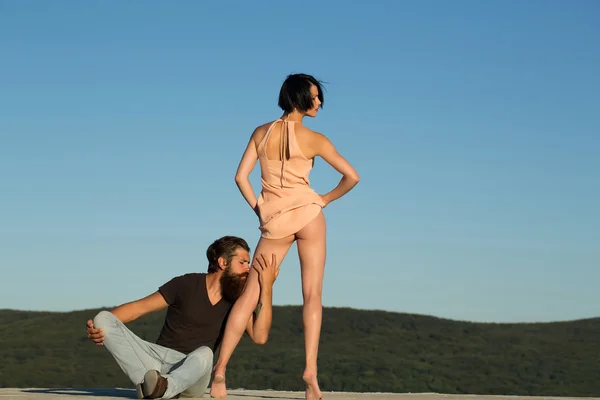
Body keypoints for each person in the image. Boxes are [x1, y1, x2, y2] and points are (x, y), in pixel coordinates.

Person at [210, 73, 360, 400]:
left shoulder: (260, 133)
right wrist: (324, 199)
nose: (319, 102)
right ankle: (310, 372)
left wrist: (259, 208)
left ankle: (219, 371)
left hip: (274, 222)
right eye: (315, 96)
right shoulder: (316, 139)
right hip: (309, 215)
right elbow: (352, 177)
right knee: (312, 296)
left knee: (249, 297)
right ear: (298, 98)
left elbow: (240, 177)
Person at [85, 236, 280, 399]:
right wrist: (98, 328)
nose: (248, 268)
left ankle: (163, 388)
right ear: (223, 262)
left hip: (192, 373)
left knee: (205, 353)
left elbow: (259, 335)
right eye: (243, 262)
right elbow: (139, 307)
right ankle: (155, 386)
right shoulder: (185, 284)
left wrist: (267, 287)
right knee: (103, 318)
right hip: (156, 361)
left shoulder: (237, 300)